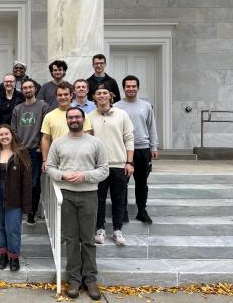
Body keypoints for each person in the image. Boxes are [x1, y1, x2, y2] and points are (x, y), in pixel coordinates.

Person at [46, 107, 109, 300]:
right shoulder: (58, 143)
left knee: (88, 239)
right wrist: (63, 175)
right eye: (70, 117)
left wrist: (85, 176)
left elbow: (104, 170)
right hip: (66, 196)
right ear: (67, 120)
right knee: (71, 239)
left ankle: (90, 279)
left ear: (83, 119)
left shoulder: (96, 143)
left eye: (77, 117)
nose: (74, 120)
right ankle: (74, 279)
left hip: (89, 195)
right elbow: (49, 167)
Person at [0, 124, 32, 272]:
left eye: (6, 134)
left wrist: (27, 205)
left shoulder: (21, 152)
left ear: (12, 135)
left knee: (13, 228)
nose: (4, 137)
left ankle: (14, 257)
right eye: (1, 135)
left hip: (14, 198)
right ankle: (3, 255)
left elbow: (27, 181)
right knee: (0, 227)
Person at [89, 84, 134, 246]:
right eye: (98, 93)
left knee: (119, 199)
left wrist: (129, 162)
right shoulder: (89, 116)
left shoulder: (122, 114)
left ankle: (117, 230)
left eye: (104, 93)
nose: (101, 95)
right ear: (94, 97)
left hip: (119, 164)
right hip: (98, 166)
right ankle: (100, 229)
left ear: (110, 96)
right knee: (98, 200)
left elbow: (129, 138)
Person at [115, 75, 159, 224]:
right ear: (124, 88)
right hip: (124, 150)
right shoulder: (116, 107)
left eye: (134, 86)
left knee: (141, 183)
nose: (131, 89)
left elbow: (151, 127)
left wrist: (154, 146)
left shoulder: (146, 106)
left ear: (138, 88)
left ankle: (142, 211)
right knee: (122, 184)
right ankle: (123, 212)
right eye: (128, 86)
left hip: (142, 149)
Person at [11, 79, 49, 225]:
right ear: (22, 90)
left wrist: (41, 146)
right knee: (19, 182)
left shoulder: (43, 106)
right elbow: (13, 129)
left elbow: (47, 128)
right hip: (20, 151)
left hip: (35, 151)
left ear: (35, 89)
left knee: (33, 183)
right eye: (25, 88)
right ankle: (21, 210)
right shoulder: (18, 109)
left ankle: (31, 212)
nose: (27, 90)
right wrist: (17, 147)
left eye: (30, 87)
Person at [41, 82, 92, 172]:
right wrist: (45, 160)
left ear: (71, 95)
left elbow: (88, 135)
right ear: (56, 97)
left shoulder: (81, 114)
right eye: (60, 95)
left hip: (80, 160)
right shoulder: (49, 116)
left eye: (66, 94)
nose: (63, 97)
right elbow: (46, 139)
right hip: (58, 161)